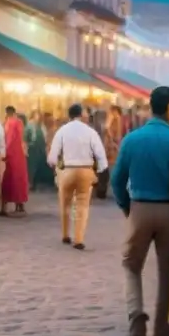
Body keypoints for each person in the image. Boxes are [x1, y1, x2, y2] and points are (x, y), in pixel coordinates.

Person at [111, 87, 169, 336]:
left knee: (131, 266)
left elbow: (117, 179)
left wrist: (125, 206)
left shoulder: (132, 139)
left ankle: (136, 316)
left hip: (140, 208)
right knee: (167, 271)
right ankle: (162, 331)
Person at [47, 104, 107, 250]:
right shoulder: (90, 132)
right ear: (81, 114)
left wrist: (56, 168)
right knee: (82, 205)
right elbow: (100, 155)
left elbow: (52, 157)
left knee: (65, 203)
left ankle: (65, 234)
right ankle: (79, 239)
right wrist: (99, 170)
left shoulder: (62, 131)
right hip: (85, 170)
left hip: (67, 170)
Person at [0, 106, 29, 215]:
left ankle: (5, 204)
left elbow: (9, 139)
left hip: (9, 154)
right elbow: (20, 138)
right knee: (19, 178)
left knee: (8, 179)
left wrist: (4, 151)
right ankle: (19, 204)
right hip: (18, 154)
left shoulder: (6, 123)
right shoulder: (18, 123)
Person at [24, 111, 50, 191]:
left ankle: (36, 183)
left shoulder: (42, 126)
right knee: (31, 167)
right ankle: (30, 183)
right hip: (32, 148)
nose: (39, 118)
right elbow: (25, 138)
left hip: (41, 148)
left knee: (39, 166)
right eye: (37, 116)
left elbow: (45, 137)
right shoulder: (29, 125)